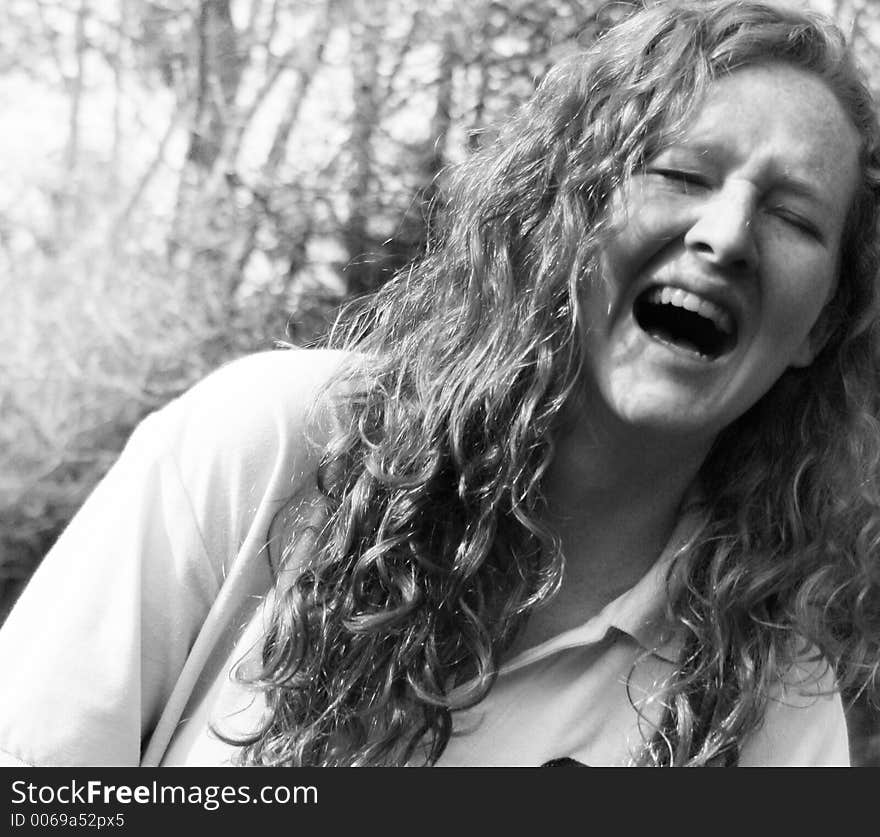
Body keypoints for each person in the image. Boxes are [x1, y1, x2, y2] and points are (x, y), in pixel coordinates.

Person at [2, 0, 880, 767]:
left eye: (794, 216)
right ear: (566, 220)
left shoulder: (773, 704)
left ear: (819, 330)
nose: (725, 235)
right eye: (682, 174)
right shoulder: (273, 443)